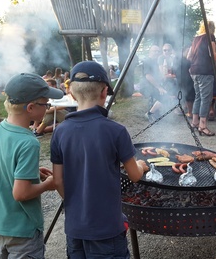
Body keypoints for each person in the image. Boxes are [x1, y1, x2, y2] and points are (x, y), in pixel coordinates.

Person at [50, 61, 147, 258]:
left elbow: (58, 180)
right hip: (107, 229)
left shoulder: (59, 132)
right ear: (104, 92)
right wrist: (141, 165)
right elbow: (134, 175)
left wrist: (77, 204)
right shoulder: (116, 131)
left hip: (75, 227)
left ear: (72, 93)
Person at [0, 72, 62, 258]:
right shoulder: (28, 142)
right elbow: (21, 193)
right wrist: (48, 184)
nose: (48, 106)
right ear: (31, 108)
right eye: (46, 103)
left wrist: (31, 173)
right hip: (22, 231)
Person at [188, 20, 216, 136]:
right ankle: (203, 126)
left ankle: (194, 123)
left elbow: (189, 56)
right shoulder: (210, 37)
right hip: (205, 71)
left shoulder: (196, 39)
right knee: (206, 98)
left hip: (194, 71)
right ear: (213, 28)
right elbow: (212, 54)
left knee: (198, 97)